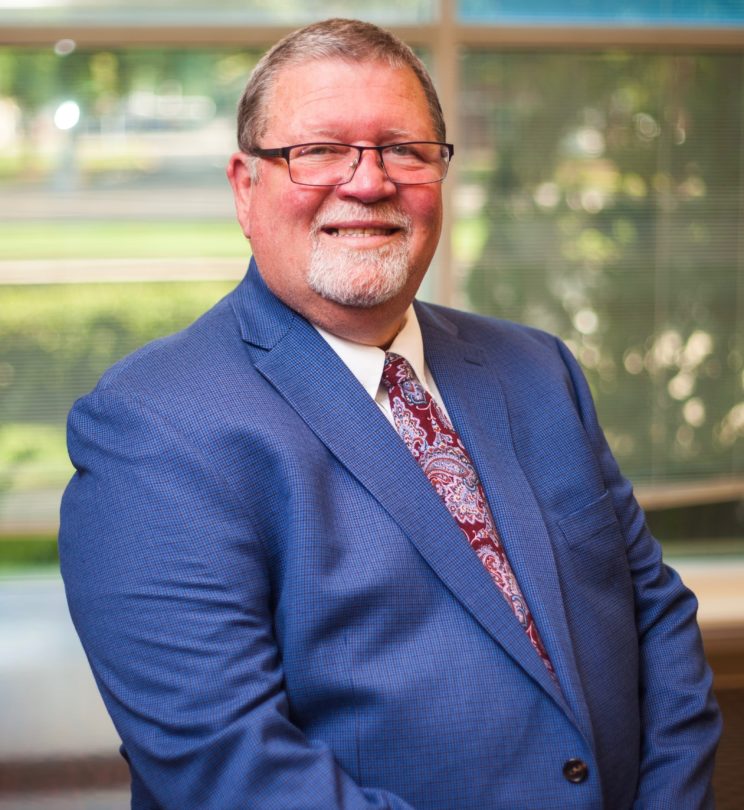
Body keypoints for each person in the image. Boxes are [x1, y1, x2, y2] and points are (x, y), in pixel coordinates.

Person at [59, 18, 721, 810]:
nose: (368, 182)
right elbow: (232, 772)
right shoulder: (155, 426)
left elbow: (659, 624)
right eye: (320, 150)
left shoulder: (540, 370)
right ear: (245, 186)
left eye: (404, 149)